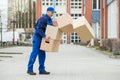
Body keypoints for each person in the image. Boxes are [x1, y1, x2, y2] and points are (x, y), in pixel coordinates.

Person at [27, 7, 56, 75]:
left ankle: (41, 70)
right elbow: (38, 28)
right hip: (37, 38)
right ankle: (29, 69)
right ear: (48, 12)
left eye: (53, 13)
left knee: (42, 54)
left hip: (43, 39)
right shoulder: (43, 18)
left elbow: (50, 29)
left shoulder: (49, 20)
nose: (53, 14)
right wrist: (44, 36)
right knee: (34, 53)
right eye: (52, 12)